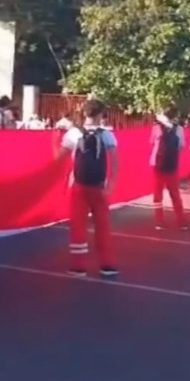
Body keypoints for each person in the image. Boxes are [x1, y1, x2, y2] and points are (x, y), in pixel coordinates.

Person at [57, 98, 119, 278]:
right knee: (103, 226)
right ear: (101, 114)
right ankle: (107, 265)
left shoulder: (73, 134)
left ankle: (79, 266)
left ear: (84, 113)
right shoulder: (107, 135)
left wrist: (54, 140)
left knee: (78, 226)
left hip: (78, 186)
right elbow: (115, 161)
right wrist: (111, 184)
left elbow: (58, 158)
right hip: (99, 187)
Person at [150, 105, 186, 231]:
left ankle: (159, 221)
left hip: (157, 163)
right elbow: (181, 146)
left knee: (157, 194)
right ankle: (181, 221)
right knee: (175, 194)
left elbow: (151, 143)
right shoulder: (179, 129)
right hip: (172, 164)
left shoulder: (156, 128)